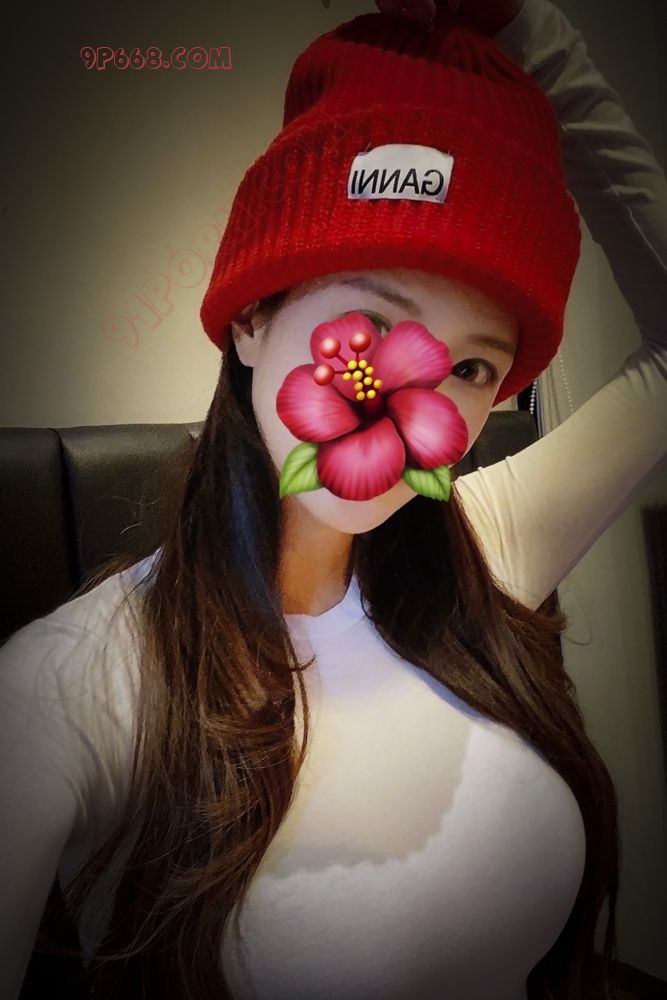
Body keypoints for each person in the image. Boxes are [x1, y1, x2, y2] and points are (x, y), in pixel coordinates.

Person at [1, 0, 665, 997]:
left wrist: (525, 33)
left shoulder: (484, 548)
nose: (410, 403)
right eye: (372, 326)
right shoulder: (74, 688)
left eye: (472, 368)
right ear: (252, 318)